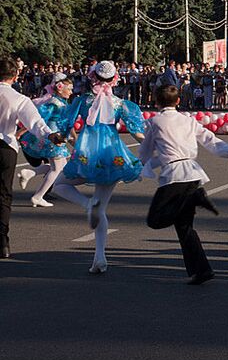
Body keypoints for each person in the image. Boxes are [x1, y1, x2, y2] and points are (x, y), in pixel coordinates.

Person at [139, 85, 228, 285]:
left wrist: (134, 168)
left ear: (156, 102)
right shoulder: (188, 120)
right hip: (192, 175)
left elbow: (145, 151)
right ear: (178, 101)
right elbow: (211, 140)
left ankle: (195, 198)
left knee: (155, 220)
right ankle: (201, 270)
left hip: (174, 176)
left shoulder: (154, 122)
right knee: (185, 228)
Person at [53, 60, 146, 274]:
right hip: (113, 154)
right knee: (101, 208)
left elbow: (66, 126)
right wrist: (154, 144)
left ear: (93, 76)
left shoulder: (83, 101)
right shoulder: (120, 104)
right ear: (114, 79)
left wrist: (57, 137)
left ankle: (87, 205)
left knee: (59, 185)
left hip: (88, 152)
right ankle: (100, 257)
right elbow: (136, 132)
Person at [0, 59, 65, 259]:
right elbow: (35, 122)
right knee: (3, 194)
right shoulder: (18, 98)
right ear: (15, 76)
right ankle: (2, 243)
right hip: (5, 147)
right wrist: (50, 135)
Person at [17, 74, 74, 208]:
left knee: (61, 166)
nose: (71, 92)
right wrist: (22, 131)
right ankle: (38, 196)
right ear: (60, 89)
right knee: (57, 169)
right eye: (69, 89)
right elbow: (39, 116)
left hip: (57, 137)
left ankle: (30, 173)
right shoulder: (54, 103)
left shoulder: (61, 102)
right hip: (53, 138)